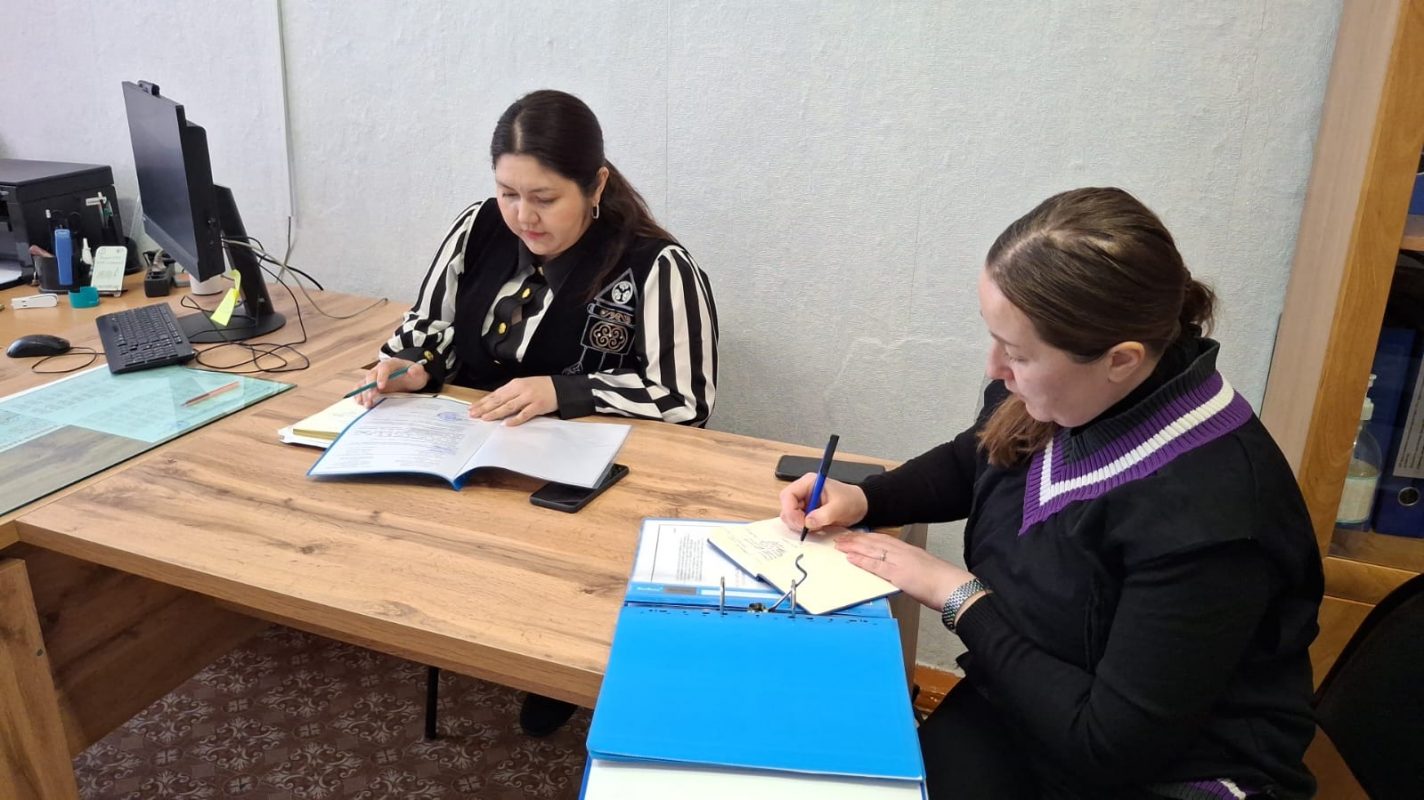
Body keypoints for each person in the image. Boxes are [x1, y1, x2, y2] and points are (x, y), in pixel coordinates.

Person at [780, 188, 1322, 800]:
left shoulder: (1213, 519)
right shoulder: (1071, 394)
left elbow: (1108, 746)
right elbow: (977, 459)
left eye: (1016, 353)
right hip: (1028, 693)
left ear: (1120, 360)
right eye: (995, 339)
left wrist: (957, 596)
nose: (995, 367)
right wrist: (867, 498)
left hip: (1156, 768)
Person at [357, 89, 718, 736]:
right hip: (471, 453)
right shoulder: (478, 227)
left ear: (595, 185)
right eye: (508, 193)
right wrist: (415, 367)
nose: (523, 216)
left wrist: (566, 391)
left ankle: (558, 661)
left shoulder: (655, 266)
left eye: (545, 198)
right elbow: (428, 327)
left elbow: (685, 400)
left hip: (579, 490)